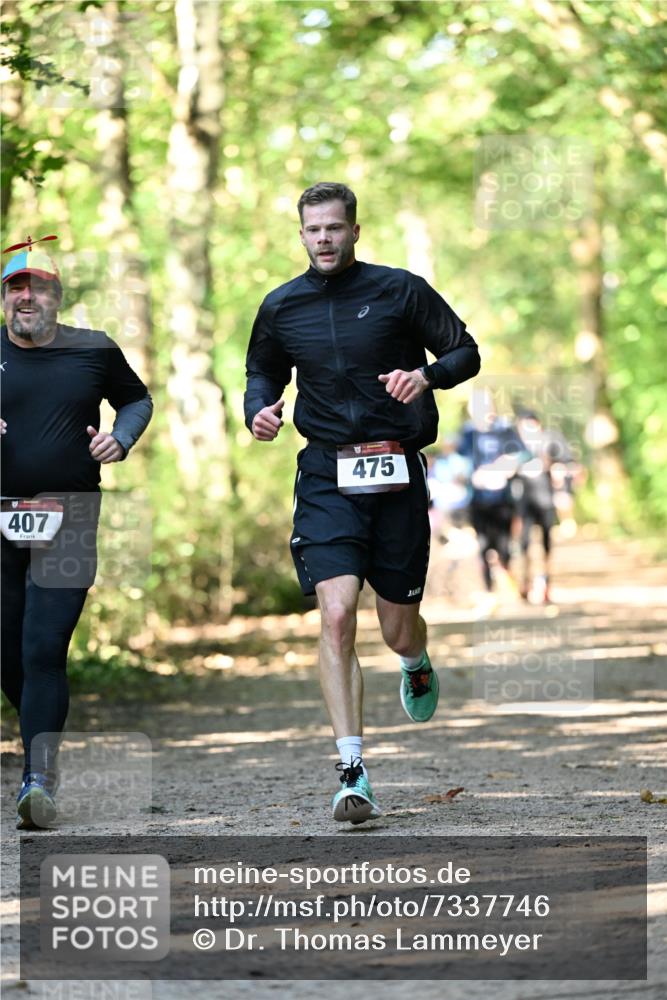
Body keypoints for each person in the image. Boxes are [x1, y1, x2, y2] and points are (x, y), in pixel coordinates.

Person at [244, 183, 480, 824]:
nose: (324, 238)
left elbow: (465, 351)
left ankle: (415, 659)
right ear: (301, 234)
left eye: (334, 228)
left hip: (397, 470)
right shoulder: (281, 306)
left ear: (354, 231)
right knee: (338, 614)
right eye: (313, 229)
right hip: (326, 474)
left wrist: (426, 376)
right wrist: (258, 411)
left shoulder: (400, 290)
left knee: (396, 625)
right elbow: (262, 372)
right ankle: (352, 770)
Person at [1, 237, 153, 829]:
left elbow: (137, 399)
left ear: (57, 296)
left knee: (43, 648)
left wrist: (122, 436)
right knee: (7, 652)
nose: (26, 297)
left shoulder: (93, 349)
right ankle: (43, 735)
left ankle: (39, 776)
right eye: (16, 287)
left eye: (38, 286)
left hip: (69, 516)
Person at [458, 388, 527, 599]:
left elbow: (523, 453)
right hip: (477, 499)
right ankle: (489, 591)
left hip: (503, 499)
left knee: (504, 546)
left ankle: (508, 580)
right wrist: (470, 475)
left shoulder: (504, 428)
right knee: (483, 545)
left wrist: (508, 464)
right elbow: (459, 460)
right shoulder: (467, 433)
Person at [514, 409, 580, 603]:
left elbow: (570, 464)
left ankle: (545, 585)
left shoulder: (551, 439)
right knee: (523, 544)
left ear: (537, 424)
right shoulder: (515, 444)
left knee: (546, 545)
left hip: (545, 499)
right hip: (523, 502)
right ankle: (525, 583)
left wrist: (562, 485)